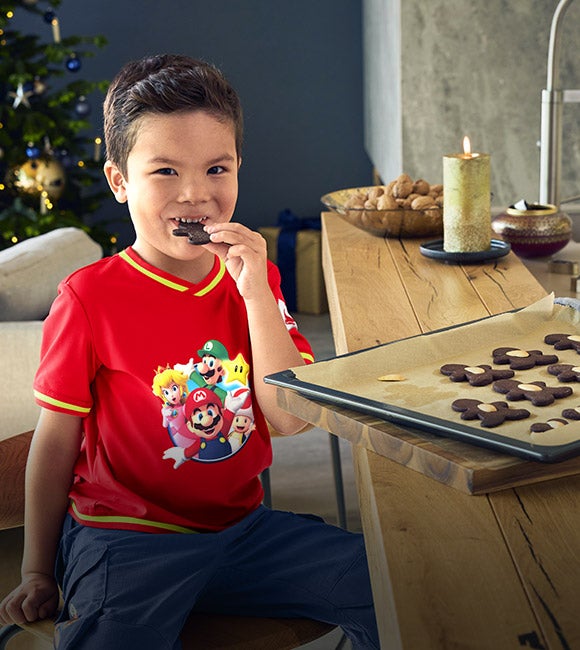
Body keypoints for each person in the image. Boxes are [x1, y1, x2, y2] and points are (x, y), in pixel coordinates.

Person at [0, 54, 379, 649]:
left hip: (242, 531)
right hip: (123, 539)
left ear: (238, 170)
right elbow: (54, 443)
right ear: (119, 181)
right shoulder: (89, 297)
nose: (196, 194)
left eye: (216, 168)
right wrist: (36, 569)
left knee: (387, 583)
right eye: (166, 172)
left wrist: (255, 291)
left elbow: (287, 417)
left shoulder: (254, 280)